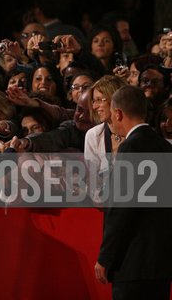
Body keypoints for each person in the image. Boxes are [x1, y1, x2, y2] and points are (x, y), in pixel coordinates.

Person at [95, 85, 172, 300]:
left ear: (118, 113)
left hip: (132, 264)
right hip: (161, 264)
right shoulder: (165, 147)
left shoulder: (130, 147)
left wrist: (105, 257)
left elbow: (122, 209)